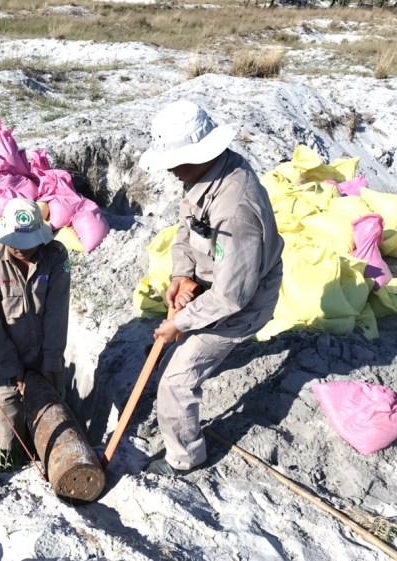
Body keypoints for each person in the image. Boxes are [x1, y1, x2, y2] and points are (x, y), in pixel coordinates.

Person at [138, 99, 284, 476]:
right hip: (213, 280)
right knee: (179, 353)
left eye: (175, 162)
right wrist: (180, 277)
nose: (170, 170)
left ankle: (186, 459)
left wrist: (181, 323)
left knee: (174, 381)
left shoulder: (236, 207)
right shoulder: (200, 176)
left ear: (201, 153)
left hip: (244, 302)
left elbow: (233, 295)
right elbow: (187, 232)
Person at [0, 197, 71, 468]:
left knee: (54, 413)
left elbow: (56, 316)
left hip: (44, 354)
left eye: (29, 244)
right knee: (7, 417)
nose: (23, 251)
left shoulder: (56, 256)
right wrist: (16, 373)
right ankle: (6, 469)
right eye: (16, 244)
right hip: (4, 360)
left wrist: (50, 366)